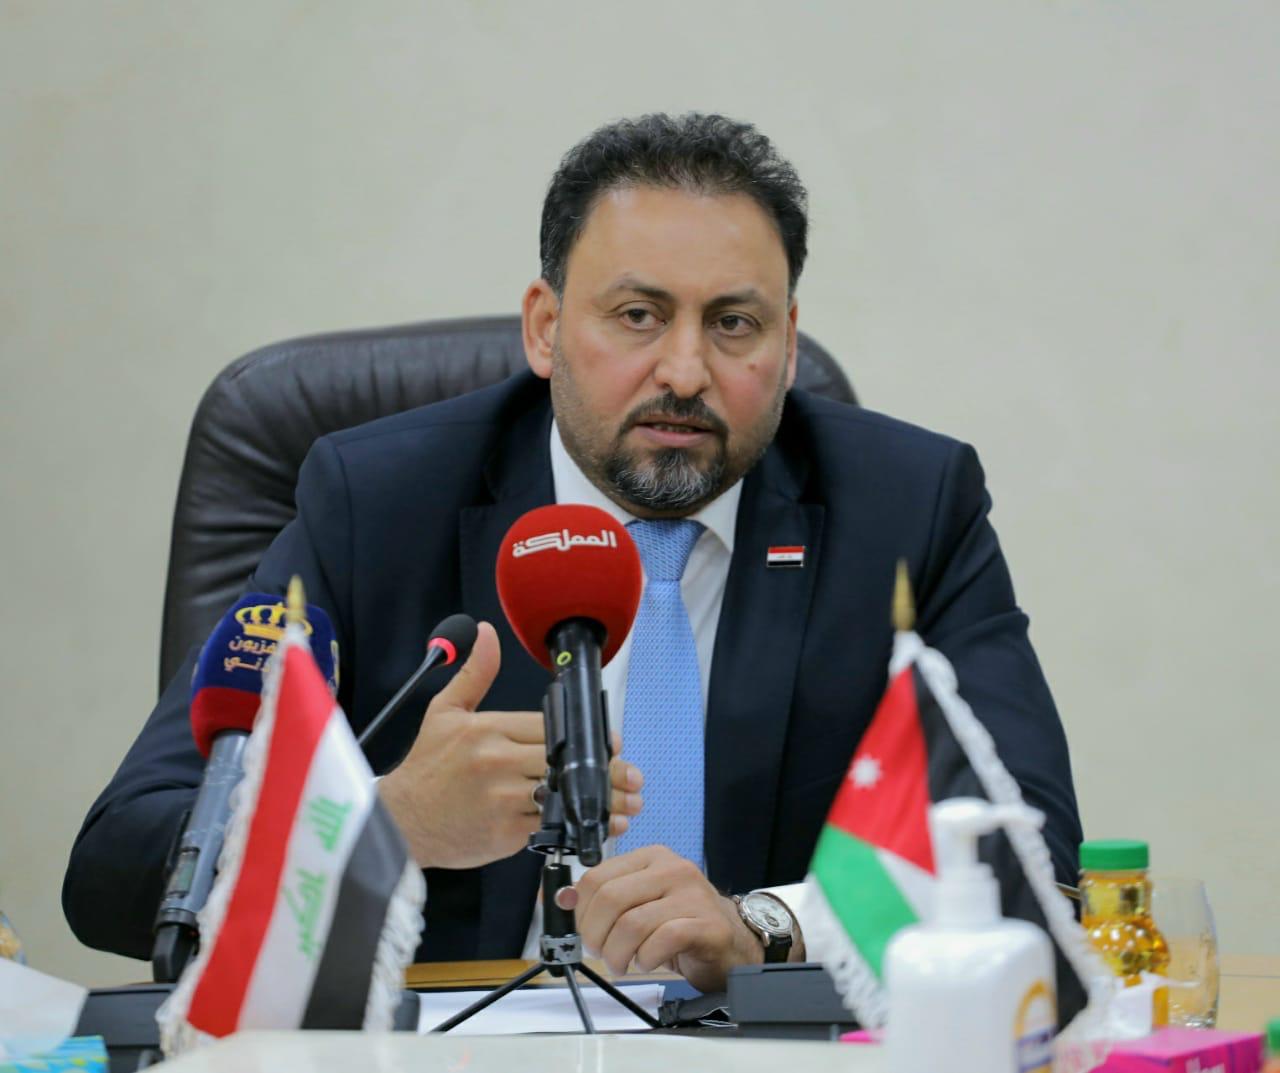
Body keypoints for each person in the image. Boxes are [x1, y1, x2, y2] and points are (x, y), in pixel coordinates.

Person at [64, 113, 1080, 993]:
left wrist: (765, 927)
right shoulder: (376, 504)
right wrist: (381, 825)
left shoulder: (906, 508)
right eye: (638, 316)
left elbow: (1031, 852)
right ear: (546, 328)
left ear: (785, 343)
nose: (684, 370)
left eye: (734, 323)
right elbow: (117, 867)